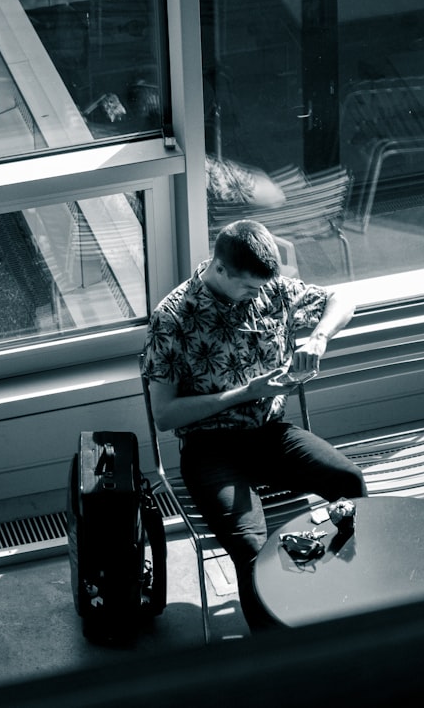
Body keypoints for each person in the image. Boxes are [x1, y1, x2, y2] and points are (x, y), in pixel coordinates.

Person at [140, 219, 367, 631]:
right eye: (248, 287)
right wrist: (246, 392)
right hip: (210, 451)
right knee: (252, 545)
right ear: (220, 269)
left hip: (269, 434)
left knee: (349, 481)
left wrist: (318, 337)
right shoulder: (172, 317)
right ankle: (274, 652)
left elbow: (341, 299)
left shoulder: (271, 289)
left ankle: (342, 602)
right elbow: (164, 415)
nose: (257, 295)